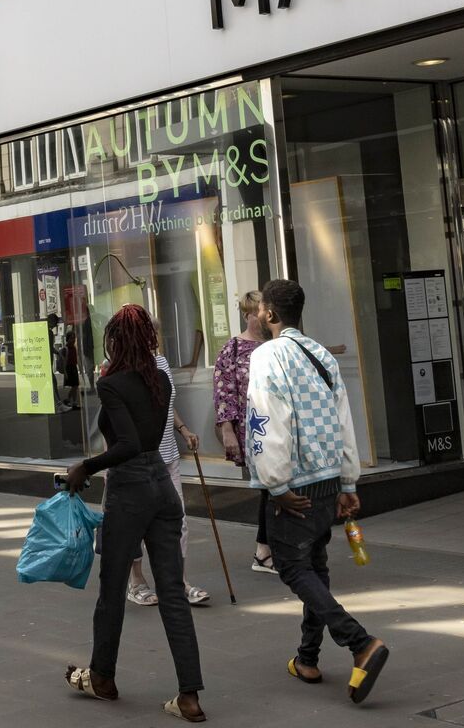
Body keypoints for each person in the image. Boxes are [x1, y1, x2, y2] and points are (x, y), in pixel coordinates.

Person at [247, 279, 388, 705]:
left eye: (260, 310)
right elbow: (344, 420)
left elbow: (266, 419)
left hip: (296, 482)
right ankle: (307, 657)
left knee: (293, 568)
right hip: (329, 480)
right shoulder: (321, 354)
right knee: (316, 565)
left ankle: (359, 642)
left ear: (270, 314)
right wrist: (348, 481)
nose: (257, 316)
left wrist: (275, 484)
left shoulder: (267, 355)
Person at [63, 304, 204, 723]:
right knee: (172, 591)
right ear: (149, 339)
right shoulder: (159, 378)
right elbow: (147, 437)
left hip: (129, 489)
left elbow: (126, 444)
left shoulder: (113, 384)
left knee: (111, 591)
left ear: (114, 341)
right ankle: (190, 696)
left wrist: (84, 467)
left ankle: (102, 677)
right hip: (162, 486)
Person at [126, 343, 209, 608]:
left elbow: (166, 405)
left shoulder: (160, 362)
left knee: (178, 521)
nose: (153, 341)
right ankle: (136, 582)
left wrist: (183, 430)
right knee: (136, 525)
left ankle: (178, 581)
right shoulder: (121, 366)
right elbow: (113, 419)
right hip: (137, 459)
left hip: (168, 456)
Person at [214, 292, 276, 574]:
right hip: (252, 430)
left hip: (277, 425)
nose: (261, 318)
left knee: (272, 486)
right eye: (256, 312)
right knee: (269, 486)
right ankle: (264, 550)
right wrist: (227, 431)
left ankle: (267, 549)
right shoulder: (233, 349)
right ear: (248, 315)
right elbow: (223, 392)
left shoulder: (276, 345)